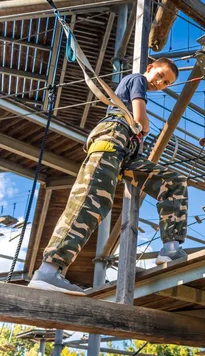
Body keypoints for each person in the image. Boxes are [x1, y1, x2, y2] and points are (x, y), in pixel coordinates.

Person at [28, 58, 188, 295]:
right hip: (112, 139)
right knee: (91, 199)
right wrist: (144, 125)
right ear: (149, 68)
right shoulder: (137, 79)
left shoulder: (141, 83)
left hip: (126, 152)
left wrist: (142, 128)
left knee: (173, 181)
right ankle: (48, 271)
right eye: (160, 75)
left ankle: (171, 247)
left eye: (166, 83)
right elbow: (138, 117)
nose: (160, 82)